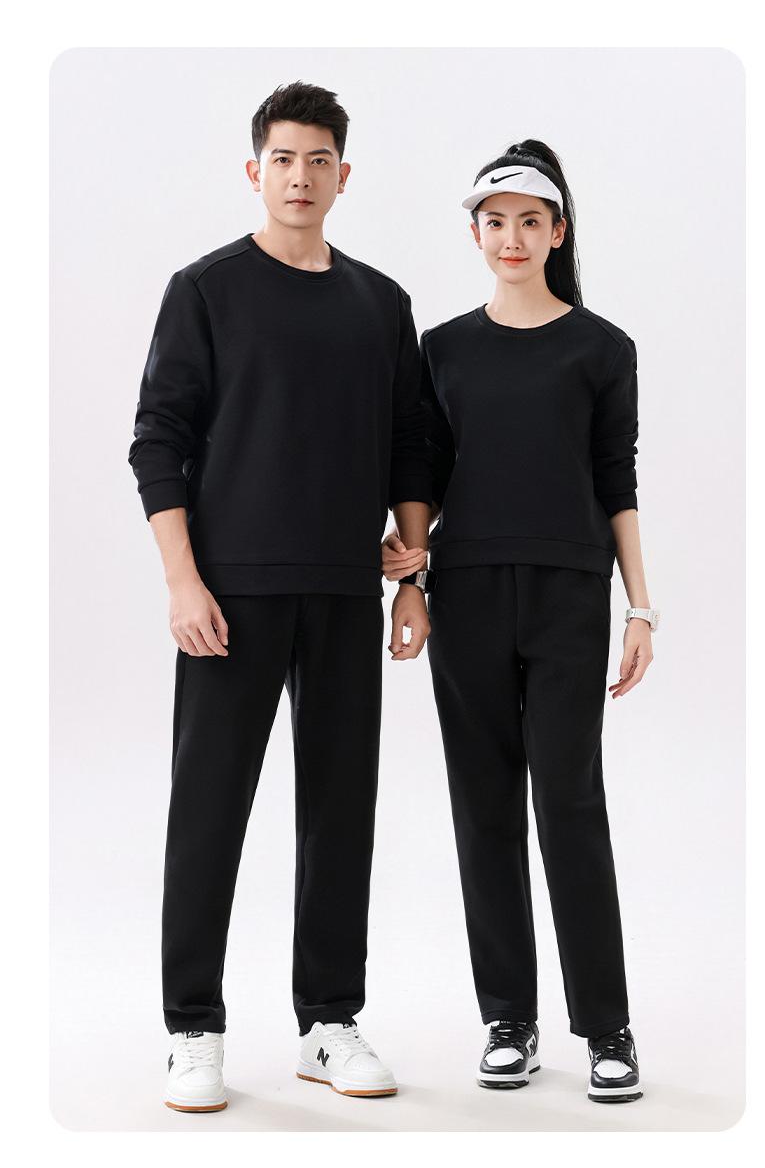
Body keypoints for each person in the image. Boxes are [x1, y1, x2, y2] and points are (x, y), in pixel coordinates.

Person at [128, 80, 433, 1112]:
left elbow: (411, 444)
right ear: (254, 169)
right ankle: (192, 1029)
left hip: (345, 591)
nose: (301, 176)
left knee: (340, 812)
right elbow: (158, 441)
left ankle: (328, 1022)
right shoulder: (206, 290)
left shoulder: (381, 304)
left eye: (319, 160)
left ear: (345, 176)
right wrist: (183, 580)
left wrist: (411, 570)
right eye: (284, 158)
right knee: (208, 811)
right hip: (231, 596)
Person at [383, 139, 658, 1104]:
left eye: (529, 221)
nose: (511, 237)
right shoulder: (442, 349)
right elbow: (421, 473)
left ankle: (608, 1028)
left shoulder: (603, 349)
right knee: (485, 809)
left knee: (569, 802)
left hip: (570, 597)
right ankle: (510, 1019)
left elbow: (617, 481)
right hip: (466, 597)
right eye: (495, 222)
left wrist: (641, 606)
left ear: (558, 232)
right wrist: (411, 578)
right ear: (475, 233)